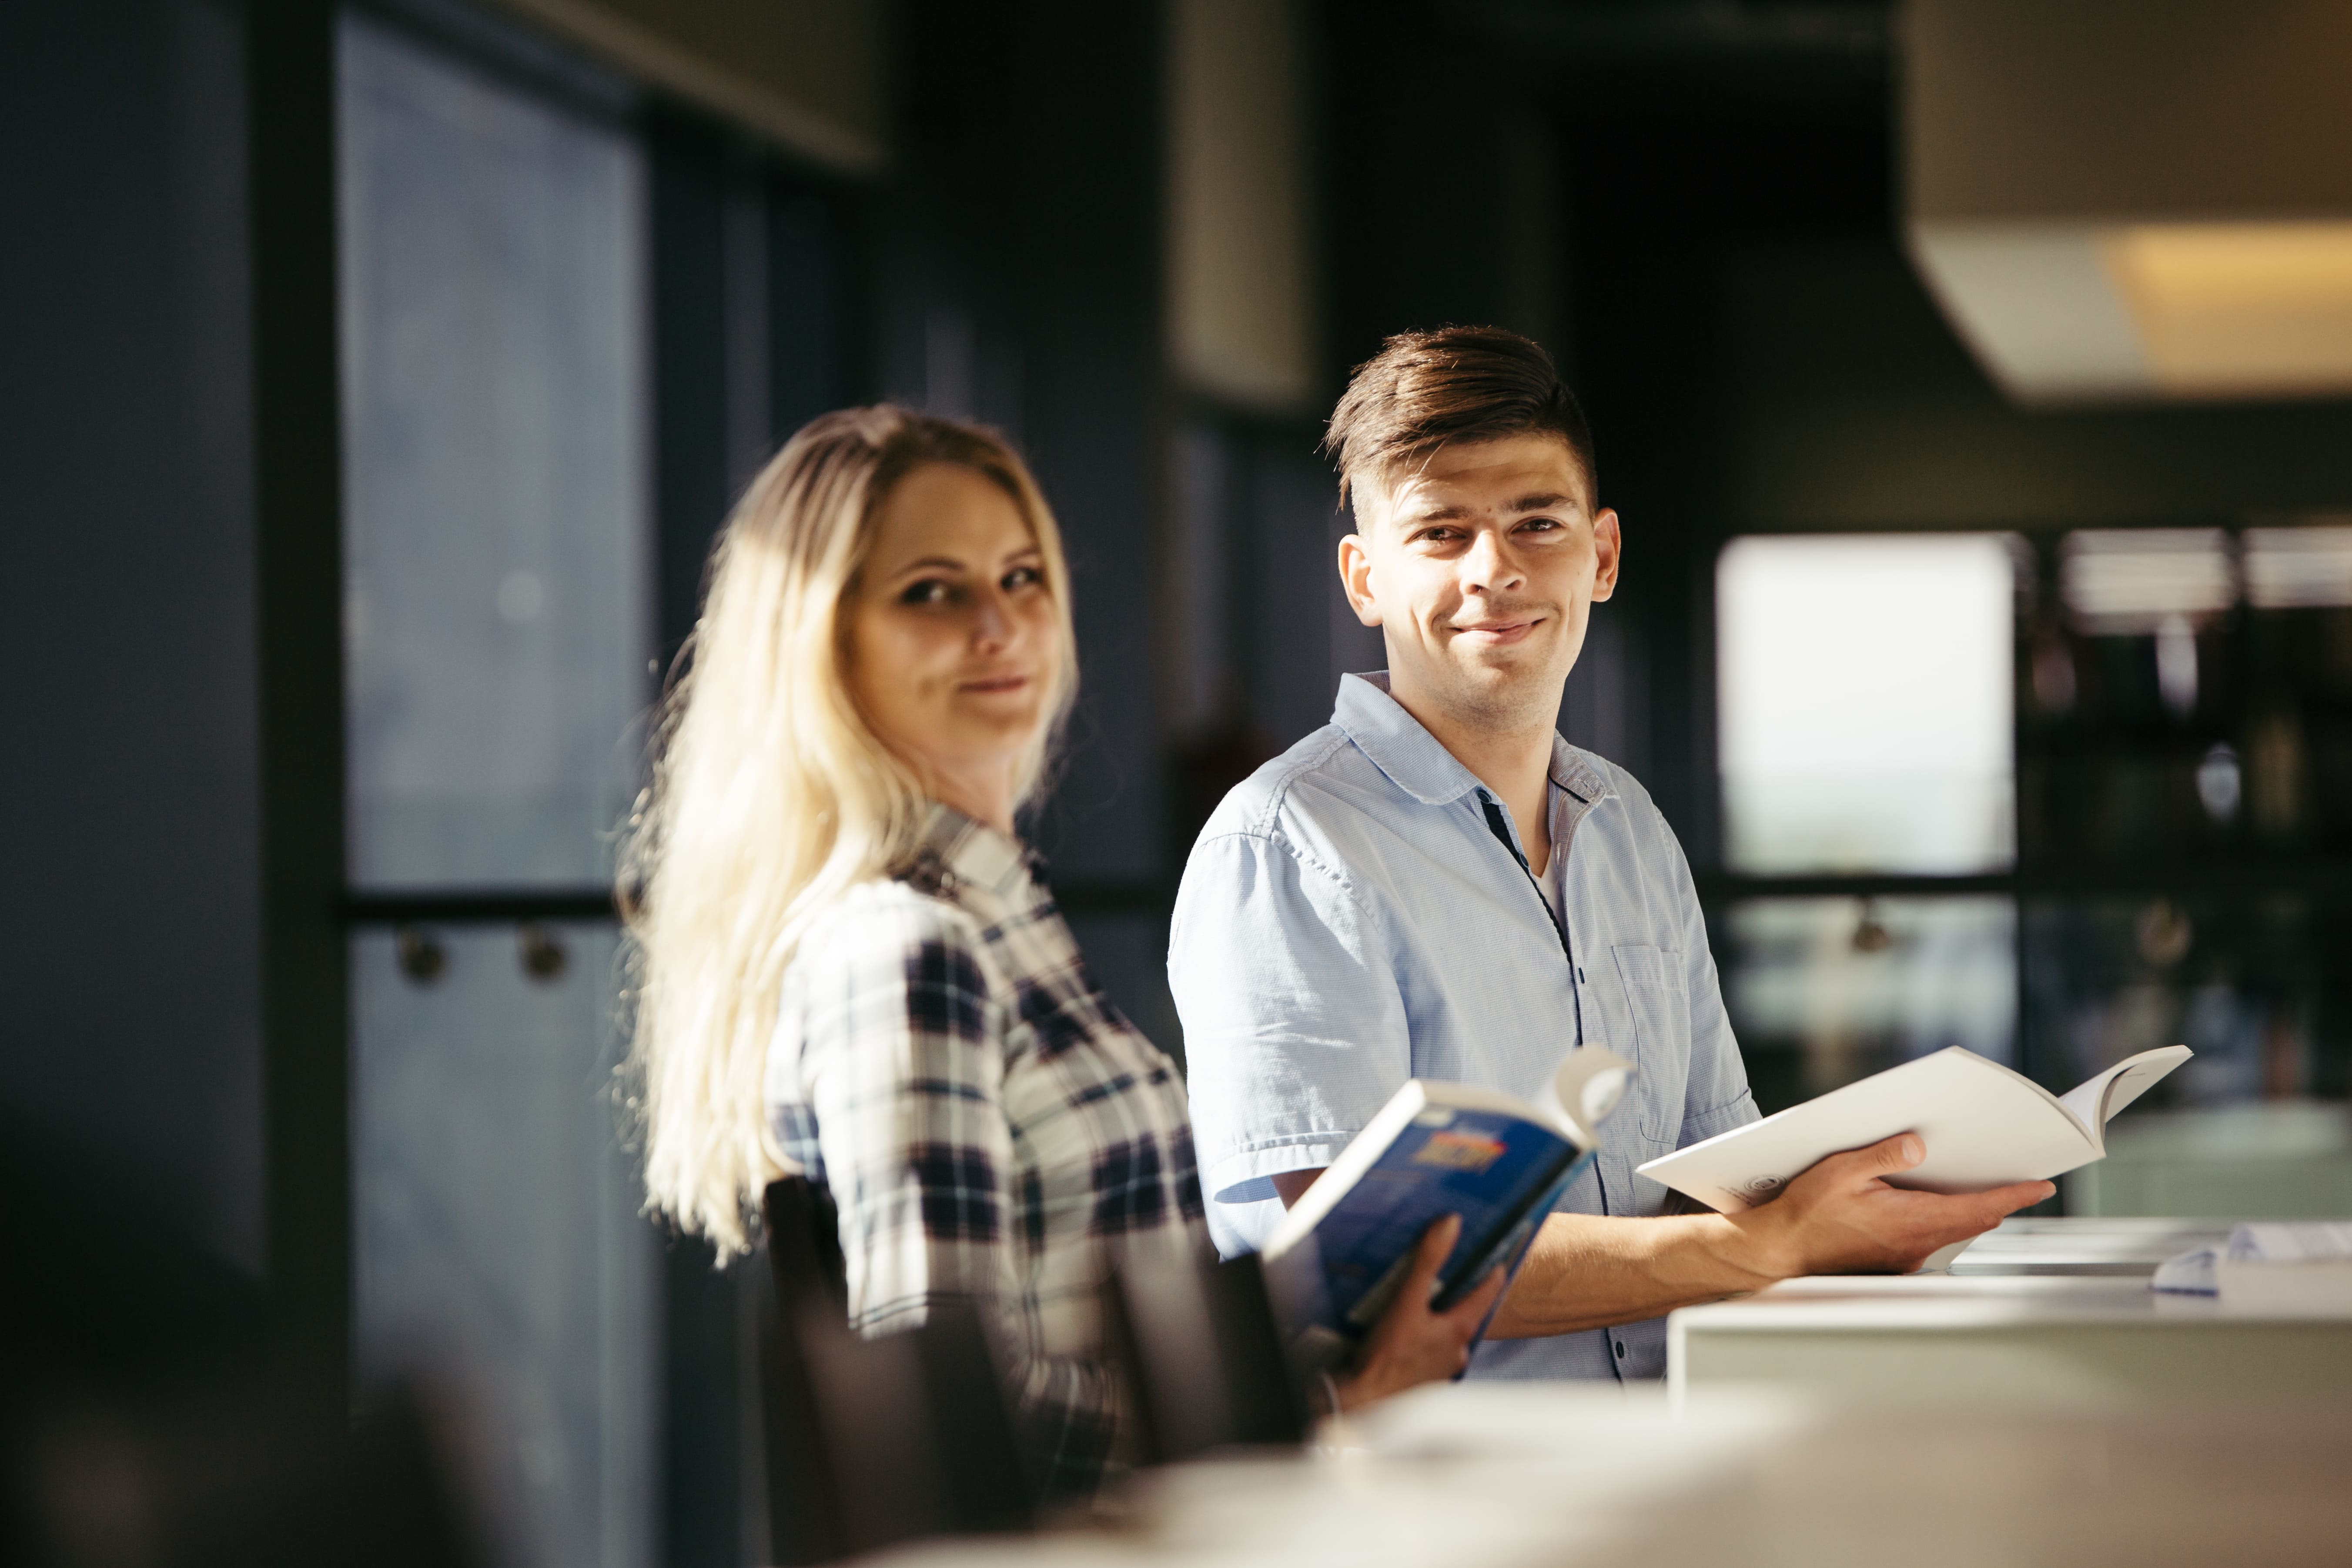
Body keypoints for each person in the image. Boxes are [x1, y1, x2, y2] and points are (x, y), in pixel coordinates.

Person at [620, 405, 1500, 1500]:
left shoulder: (996, 916)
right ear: (822, 642)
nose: (1000, 625)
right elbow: (949, 1403)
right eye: (930, 592)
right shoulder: (909, 948)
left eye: (1022, 577)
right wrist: (1316, 1414)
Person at [1168, 327, 2053, 1382]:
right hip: (1439, 1506)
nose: (1492, 570)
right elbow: (1364, 1269)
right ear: (1364, 578)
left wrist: (1860, 1207)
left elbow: (1720, 1176)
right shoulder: (1287, 847)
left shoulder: (1625, 828)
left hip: (1674, 1453)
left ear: (1603, 556)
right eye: (1441, 532)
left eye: (1535, 523)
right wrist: (1762, 1247)